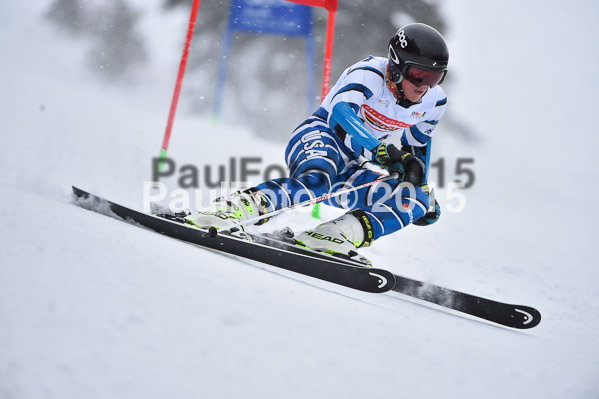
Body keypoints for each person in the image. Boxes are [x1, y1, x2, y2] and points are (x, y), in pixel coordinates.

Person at [186, 22, 448, 264]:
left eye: (435, 77)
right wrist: (381, 151)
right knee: (318, 180)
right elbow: (341, 114)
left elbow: (417, 148)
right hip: (319, 136)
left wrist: (420, 187)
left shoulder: (434, 102)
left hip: (353, 163)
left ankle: (332, 235)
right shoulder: (369, 74)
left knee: (414, 198)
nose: (424, 86)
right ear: (396, 66)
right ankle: (226, 210)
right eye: (418, 75)